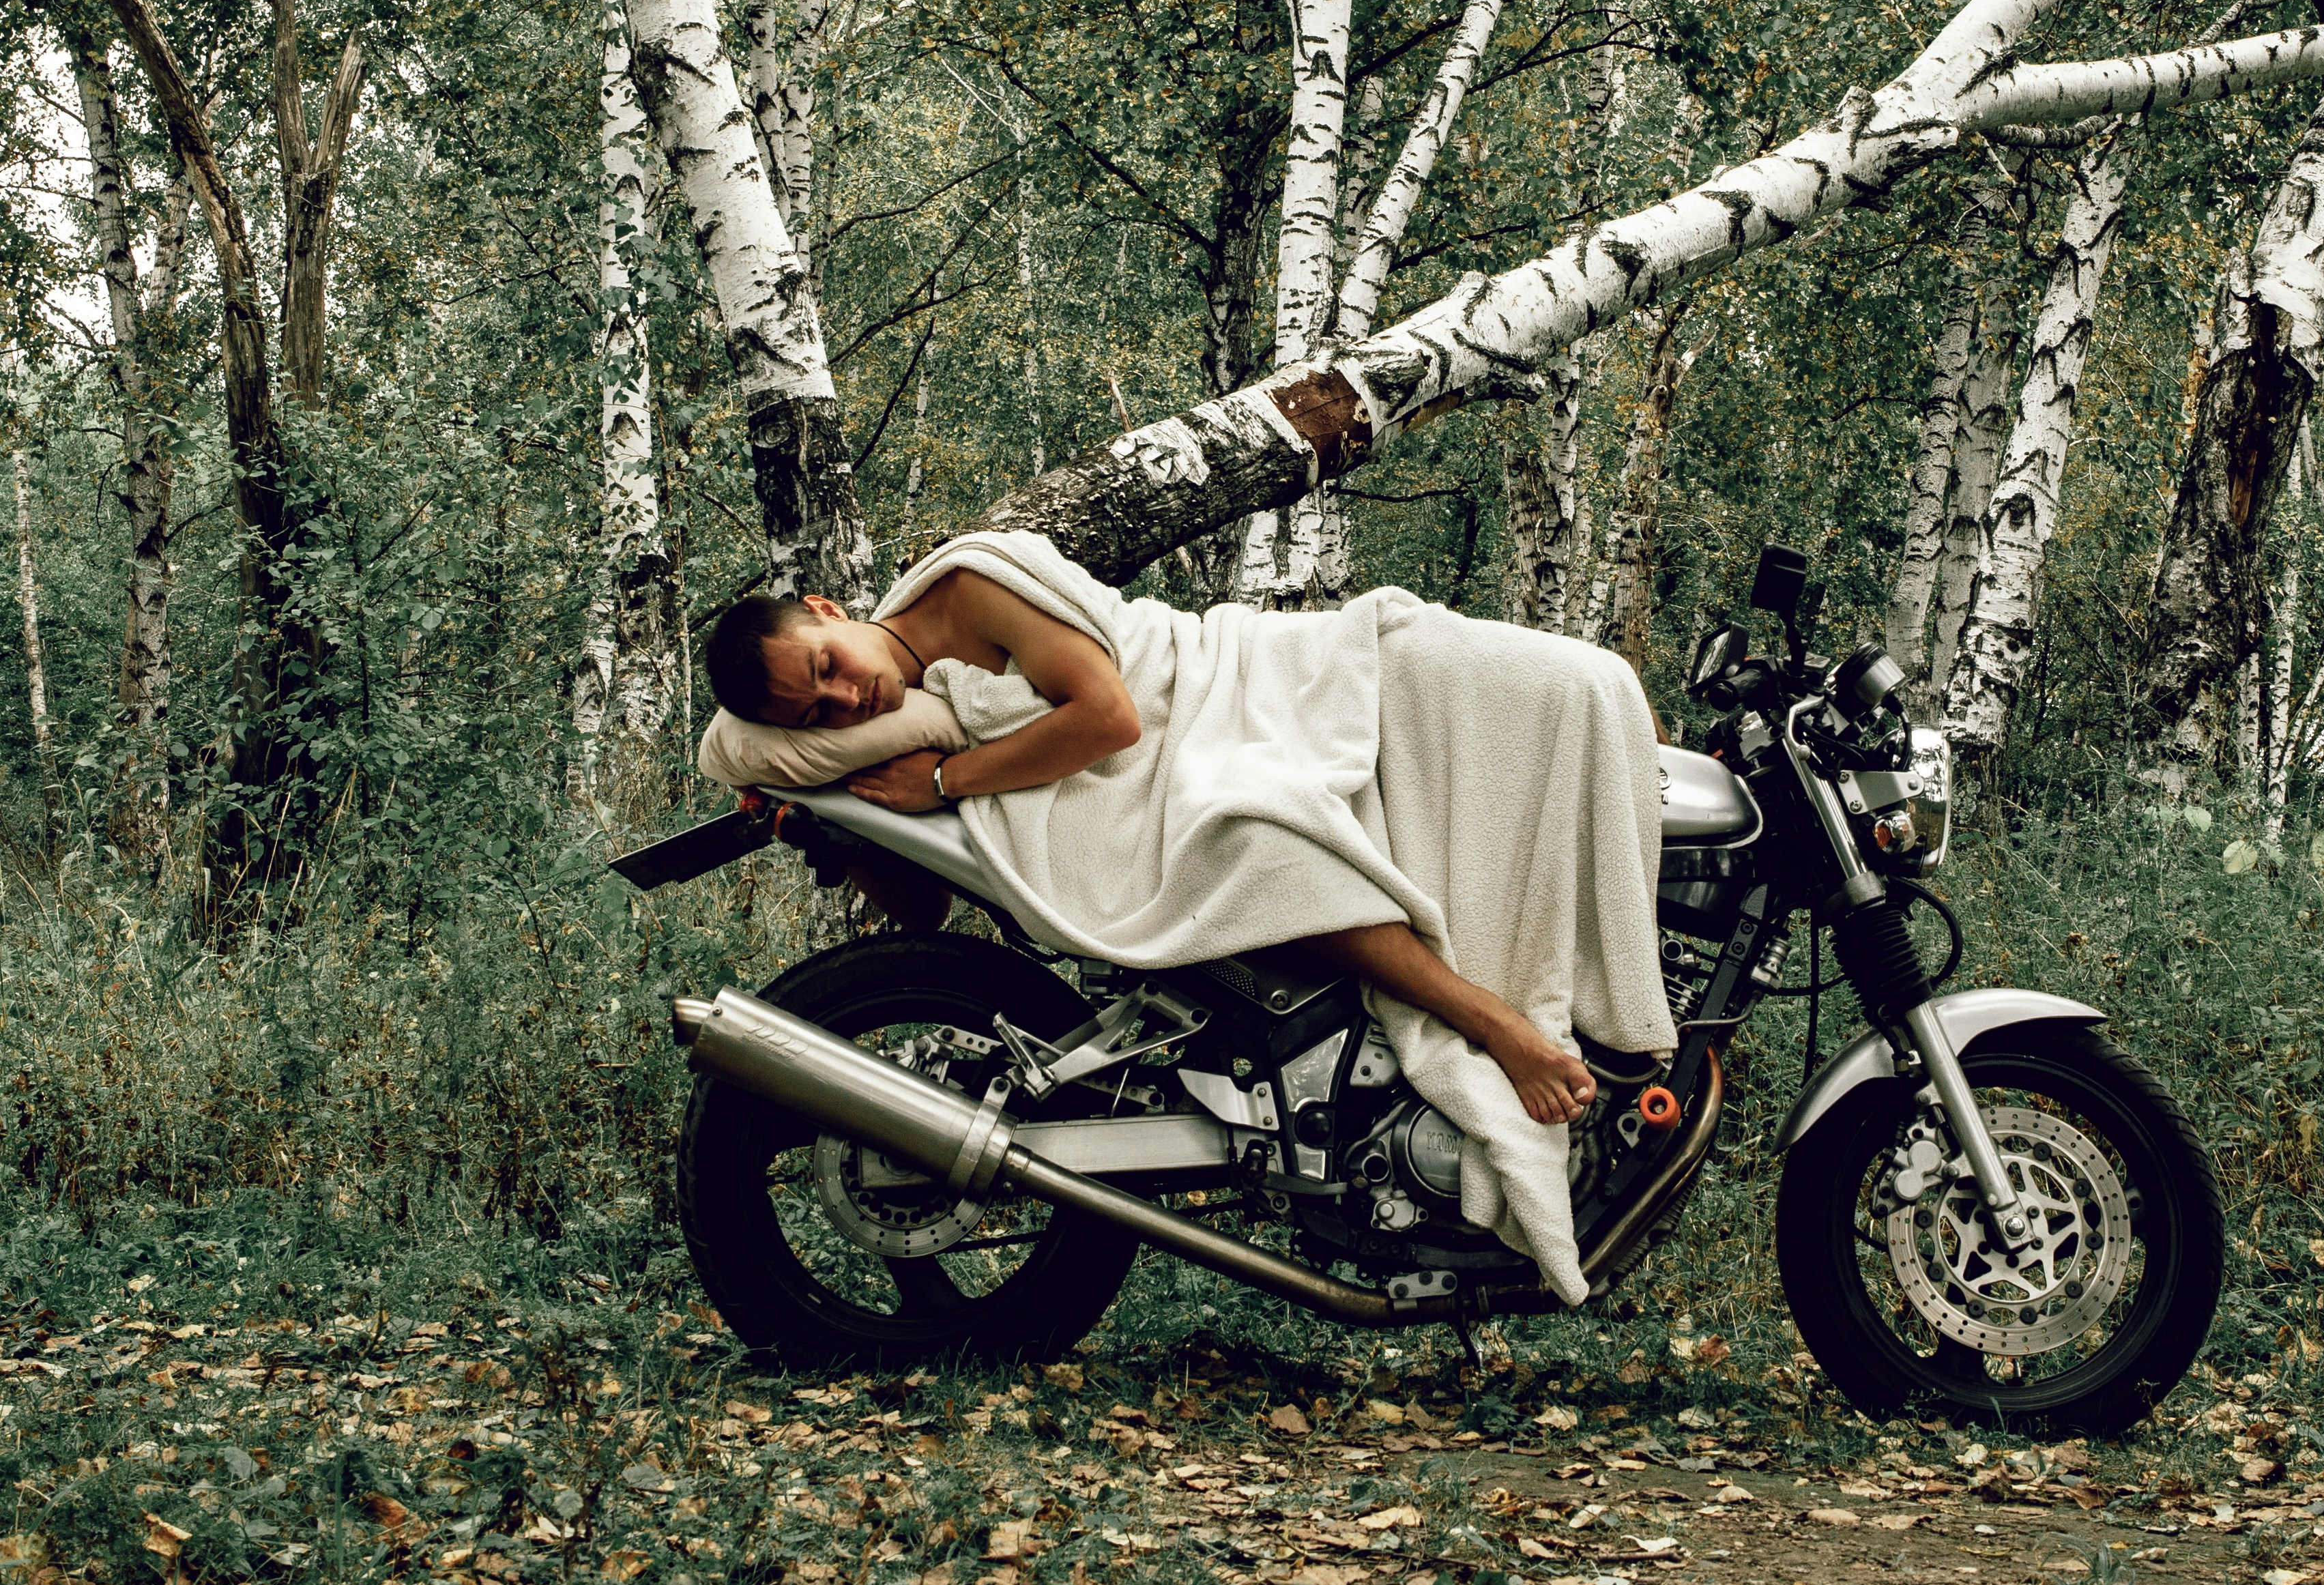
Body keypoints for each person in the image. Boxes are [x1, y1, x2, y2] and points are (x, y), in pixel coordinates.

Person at [693, 529, 1676, 1303]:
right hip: (1169, 757)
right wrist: (841, 826)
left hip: (1251, 687)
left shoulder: (965, 587)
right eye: (816, 717)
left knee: (1586, 685)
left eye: (826, 665)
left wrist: (949, 777)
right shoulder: (888, 729)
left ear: (828, 611)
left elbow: (1112, 716)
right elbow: (927, 907)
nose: (845, 698)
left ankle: (1577, 1000)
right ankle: (1493, 1020)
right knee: (1265, 849)